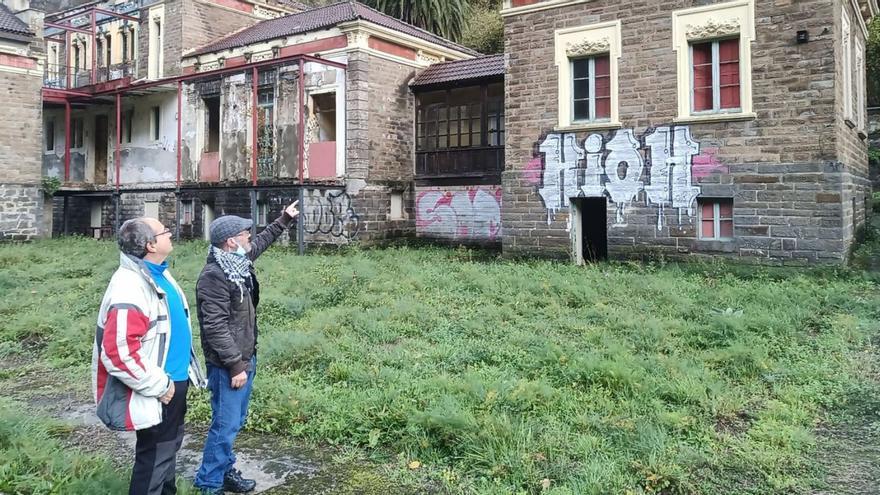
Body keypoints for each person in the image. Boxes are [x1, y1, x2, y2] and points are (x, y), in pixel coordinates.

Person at [92, 217, 206, 495]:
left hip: (174, 382)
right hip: (158, 388)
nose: (171, 233)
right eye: (165, 231)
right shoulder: (129, 286)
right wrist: (160, 386)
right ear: (150, 244)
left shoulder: (157, 272)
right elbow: (118, 352)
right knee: (153, 460)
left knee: (166, 454)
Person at [194, 201, 300, 494]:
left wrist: (284, 220)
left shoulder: (237, 263)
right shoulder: (214, 276)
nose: (249, 237)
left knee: (234, 420)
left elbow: (262, 243)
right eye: (245, 234)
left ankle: (224, 471)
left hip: (244, 356)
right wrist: (235, 365)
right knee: (225, 425)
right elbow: (214, 326)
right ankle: (210, 483)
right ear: (231, 241)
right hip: (229, 364)